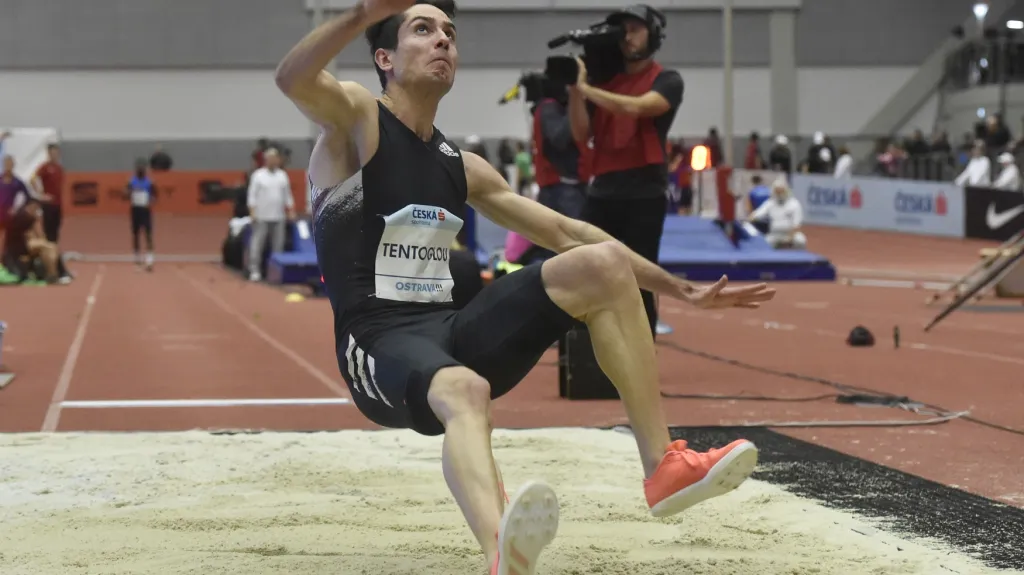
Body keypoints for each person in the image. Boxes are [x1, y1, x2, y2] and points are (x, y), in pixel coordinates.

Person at [274, 2, 775, 574]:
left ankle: (664, 466)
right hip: (374, 342)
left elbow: (568, 231)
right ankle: (500, 553)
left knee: (603, 262)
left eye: (450, 33)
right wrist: (362, 13)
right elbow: (292, 79)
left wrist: (681, 290)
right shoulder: (358, 118)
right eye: (423, 29)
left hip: (448, 331)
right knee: (463, 390)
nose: (443, 40)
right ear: (383, 57)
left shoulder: (457, 164)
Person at [567, 4, 683, 338]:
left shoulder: (667, 79)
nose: (627, 37)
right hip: (603, 187)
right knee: (583, 266)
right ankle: (584, 347)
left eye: (635, 29)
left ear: (654, 35)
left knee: (641, 276)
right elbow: (580, 134)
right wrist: (576, 91)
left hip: (645, 192)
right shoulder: (605, 81)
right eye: (624, 31)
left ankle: (642, 348)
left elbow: (639, 107)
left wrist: (588, 90)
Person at [246, 148, 295, 282]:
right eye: (271, 158)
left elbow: (287, 195)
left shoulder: (282, 175)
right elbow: (252, 195)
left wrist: (290, 210)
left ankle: (274, 272)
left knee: (278, 246)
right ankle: (254, 270)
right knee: (257, 243)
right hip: (261, 216)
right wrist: (252, 212)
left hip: (279, 216)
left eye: (276, 158)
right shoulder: (258, 175)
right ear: (266, 160)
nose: (274, 161)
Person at [746, 179, 806, 249]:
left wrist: (789, 239)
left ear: (786, 191)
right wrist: (749, 219)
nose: (779, 194)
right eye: (777, 192)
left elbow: (797, 225)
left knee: (800, 240)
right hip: (774, 234)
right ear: (774, 191)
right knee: (764, 244)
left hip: (791, 234)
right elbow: (757, 214)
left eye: (781, 191)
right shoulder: (770, 203)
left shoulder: (794, 204)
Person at [125, 160, 156, 271]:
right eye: (138, 168)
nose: (140, 170)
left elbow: (155, 196)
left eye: (142, 169)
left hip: (145, 210)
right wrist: (129, 192)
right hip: (135, 209)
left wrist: (151, 201)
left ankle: (149, 258)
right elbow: (126, 194)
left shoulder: (149, 182)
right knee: (136, 233)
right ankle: (137, 256)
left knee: (148, 233)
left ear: (145, 170)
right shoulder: (132, 182)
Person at [31, 144, 65, 243]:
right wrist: (41, 195)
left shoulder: (59, 168)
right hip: (48, 204)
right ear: (48, 154)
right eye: (52, 153)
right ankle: (48, 252)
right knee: (48, 230)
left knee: (56, 228)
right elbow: (33, 179)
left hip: (58, 203)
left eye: (56, 153)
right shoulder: (45, 167)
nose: (55, 155)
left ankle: (54, 251)